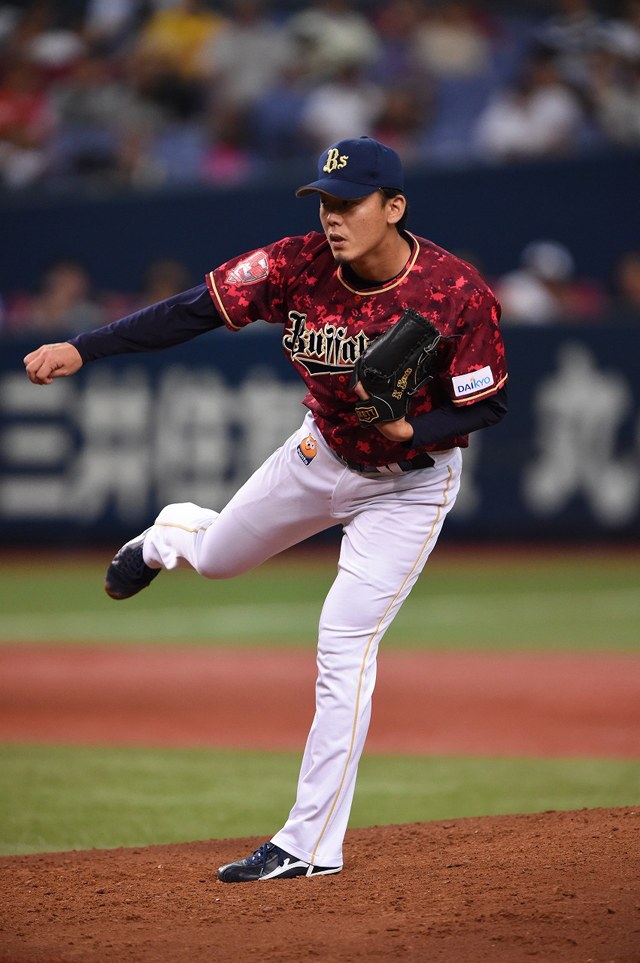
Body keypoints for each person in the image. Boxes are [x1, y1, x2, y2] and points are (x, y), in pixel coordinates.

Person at [24, 136, 508, 883]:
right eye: (324, 203)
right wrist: (86, 348)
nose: (332, 218)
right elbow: (194, 310)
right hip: (319, 453)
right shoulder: (296, 263)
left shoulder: (455, 292)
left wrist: (414, 430)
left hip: (409, 486)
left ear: (394, 207)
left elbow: (487, 402)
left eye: (349, 204)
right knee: (217, 560)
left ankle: (309, 845)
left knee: (344, 644)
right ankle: (170, 534)